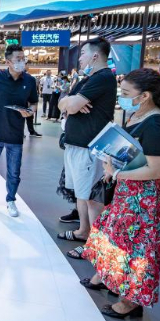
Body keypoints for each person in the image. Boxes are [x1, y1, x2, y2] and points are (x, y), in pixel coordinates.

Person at [80, 68, 160, 319]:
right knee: (113, 237)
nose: (121, 97)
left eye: (125, 93)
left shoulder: (155, 122)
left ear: (144, 96)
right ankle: (108, 278)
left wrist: (117, 173)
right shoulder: (138, 115)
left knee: (136, 249)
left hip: (142, 197)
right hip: (127, 191)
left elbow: (158, 169)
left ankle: (131, 301)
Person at [58, 37, 117, 247]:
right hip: (76, 145)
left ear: (95, 55)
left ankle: (96, 244)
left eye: (82, 53)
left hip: (89, 147)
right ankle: (84, 231)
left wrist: (71, 104)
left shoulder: (103, 78)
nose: (79, 58)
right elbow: (62, 102)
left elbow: (71, 106)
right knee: (81, 194)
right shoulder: (87, 79)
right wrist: (69, 103)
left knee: (92, 197)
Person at [0, 44, 39, 217]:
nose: (21, 62)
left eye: (23, 58)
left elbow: (34, 103)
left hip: (16, 135)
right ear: (8, 61)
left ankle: (10, 200)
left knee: (14, 173)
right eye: (18, 59)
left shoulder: (29, 81)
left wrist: (30, 111)